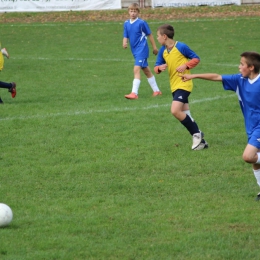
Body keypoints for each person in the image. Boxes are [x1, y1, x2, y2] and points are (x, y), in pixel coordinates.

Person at [180, 51, 260, 200]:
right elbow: (217, 77)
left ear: (251, 67)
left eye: (242, 64)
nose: (239, 67)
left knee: (249, 156)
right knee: (256, 161)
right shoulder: (239, 80)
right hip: (251, 127)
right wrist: (193, 76)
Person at [154, 24, 207, 150]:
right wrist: (159, 68)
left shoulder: (181, 46)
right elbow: (156, 66)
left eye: (158, 36)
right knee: (185, 113)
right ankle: (202, 142)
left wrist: (186, 66)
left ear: (164, 36)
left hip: (184, 83)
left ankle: (196, 134)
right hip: (174, 85)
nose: (157, 38)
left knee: (175, 111)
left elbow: (196, 58)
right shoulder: (163, 50)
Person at [123, 3, 162, 100]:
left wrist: (154, 47)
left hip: (142, 49)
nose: (133, 13)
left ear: (138, 12)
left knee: (136, 69)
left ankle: (134, 93)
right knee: (147, 71)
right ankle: (157, 91)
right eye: (131, 11)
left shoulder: (142, 23)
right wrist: (124, 43)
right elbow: (126, 35)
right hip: (135, 50)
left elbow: (150, 35)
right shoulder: (126, 23)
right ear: (128, 12)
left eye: (135, 11)